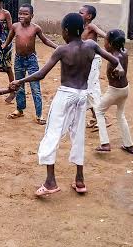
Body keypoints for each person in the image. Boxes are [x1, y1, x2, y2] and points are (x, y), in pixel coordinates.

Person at [9, 13, 123, 196]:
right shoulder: (91, 46)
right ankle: (79, 180)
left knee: (52, 135)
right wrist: (117, 70)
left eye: (62, 29)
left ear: (67, 31)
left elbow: (41, 74)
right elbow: (115, 60)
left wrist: (20, 81)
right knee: (78, 136)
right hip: (82, 96)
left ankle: (50, 182)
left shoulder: (62, 50)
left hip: (66, 95)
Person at [2, 4, 58, 125]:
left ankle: (39, 114)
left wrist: (56, 47)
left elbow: (45, 40)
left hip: (31, 60)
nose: (22, 16)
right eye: (20, 13)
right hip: (18, 60)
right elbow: (10, 37)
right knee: (19, 85)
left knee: (35, 87)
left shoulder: (36, 28)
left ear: (32, 16)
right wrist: (4, 45)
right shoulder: (15, 26)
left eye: (25, 14)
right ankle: (20, 109)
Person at [95, 29, 133, 154]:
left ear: (111, 44)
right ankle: (129, 145)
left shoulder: (115, 58)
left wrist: (120, 71)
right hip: (125, 89)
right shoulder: (124, 52)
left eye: (105, 41)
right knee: (120, 115)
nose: (104, 44)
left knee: (99, 111)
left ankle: (105, 143)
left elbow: (120, 69)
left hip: (115, 91)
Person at [79, 5, 108, 129]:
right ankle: (95, 117)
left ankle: (102, 119)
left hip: (94, 61)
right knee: (87, 89)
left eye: (81, 13)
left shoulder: (91, 26)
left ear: (89, 16)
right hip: (84, 61)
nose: (78, 14)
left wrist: (112, 40)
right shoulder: (81, 28)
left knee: (92, 89)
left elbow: (103, 34)